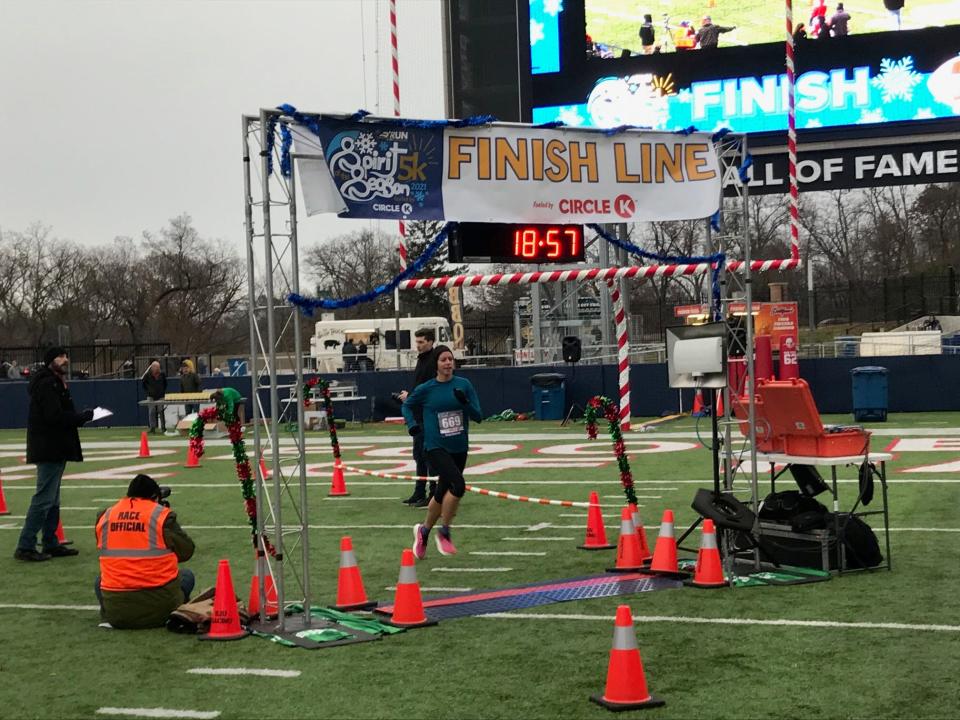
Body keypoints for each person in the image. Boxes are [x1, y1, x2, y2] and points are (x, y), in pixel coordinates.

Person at [14, 347, 93, 562]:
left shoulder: (53, 382)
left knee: (52, 499)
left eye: (66, 356)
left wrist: (79, 417)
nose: (65, 359)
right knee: (44, 498)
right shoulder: (48, 384)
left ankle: (50, 541)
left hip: (54, 447)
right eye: (60, 356)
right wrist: (81, 418)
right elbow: (54, 416)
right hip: (49, 447)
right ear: (50, 361)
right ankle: (26, 545)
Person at [403, 345, 483, 558]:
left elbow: (478, 416)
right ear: (436, 365)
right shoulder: (427, 389)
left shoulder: (463, 385)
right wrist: (411, 424)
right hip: (435, 446)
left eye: (450, 359)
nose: (448, 363)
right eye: (443, 360)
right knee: (458, 485)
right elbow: (407, 405)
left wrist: (464, 402)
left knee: (441, 492)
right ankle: (444, 532)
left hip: (459, 446)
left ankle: (424, 531)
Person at [95, 474, 196, 629]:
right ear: (155, 497)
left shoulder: (105, 516)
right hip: (160, 608)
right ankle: (178, 612)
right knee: (187, 576)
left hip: (117, 614)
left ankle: (107, 616)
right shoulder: (160, 516)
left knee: (100, 580)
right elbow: (186, 551)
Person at [398, 328, 439, 507]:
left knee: (428, 456)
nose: (418, 345)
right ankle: (419, 491)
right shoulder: (422, 360)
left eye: (421, 342)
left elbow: (428, 388)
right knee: (419, 456)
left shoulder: (432, 361)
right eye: (417, 342)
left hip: (427, 415)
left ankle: (433, 493)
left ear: (430, 342)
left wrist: (411, 396)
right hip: (418, 415)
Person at [142, 360, 167, 433]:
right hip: (151, 396)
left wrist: (162, 391)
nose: (158, 368)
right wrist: (148, 391)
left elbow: (165, 383)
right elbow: (143, 384)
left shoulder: (162, 374)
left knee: (161, 411)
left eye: (158, 367)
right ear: (152, 367)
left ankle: (163, 427)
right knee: (151, 411)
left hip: (160, 395)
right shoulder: (147, 375)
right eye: (156, 367)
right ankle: (152, 428)